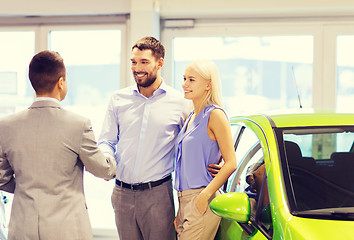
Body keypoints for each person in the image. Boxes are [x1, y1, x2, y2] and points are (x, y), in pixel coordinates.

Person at [0, 50, 117, 240]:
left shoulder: (6, 126)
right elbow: (102, 169)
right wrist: (111, 161)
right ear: (61, 82)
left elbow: (2, 178)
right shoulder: (78, 125)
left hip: (23, 228)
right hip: (67, 229)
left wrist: (26, 188)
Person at [174, 60, 237, 240]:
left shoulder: (215, 115)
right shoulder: (191, 116)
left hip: (201, 197)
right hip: (184, 200)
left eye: (191, 80)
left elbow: (231, 162)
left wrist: (204, 196)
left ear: (208, 84)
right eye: (184, 78)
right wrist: (181, 208)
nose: (184, 84)